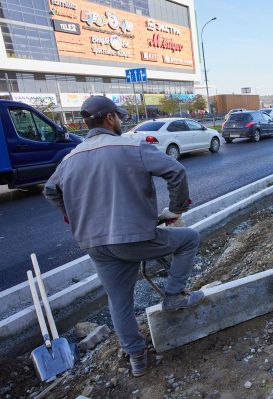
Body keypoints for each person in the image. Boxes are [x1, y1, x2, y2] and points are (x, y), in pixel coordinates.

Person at [43, 96, 203, 377]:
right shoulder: (132, 145)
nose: (121, 121)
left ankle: (137, 358)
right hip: (134, 238)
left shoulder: (71, 157)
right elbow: (176, 171)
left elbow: (50, 190)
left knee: (119, 303)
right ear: (109, 118)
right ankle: (174, 296)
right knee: (189, 239)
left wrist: (73, 216)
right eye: (118, 116)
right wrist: (175, 210)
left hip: (96, 245)